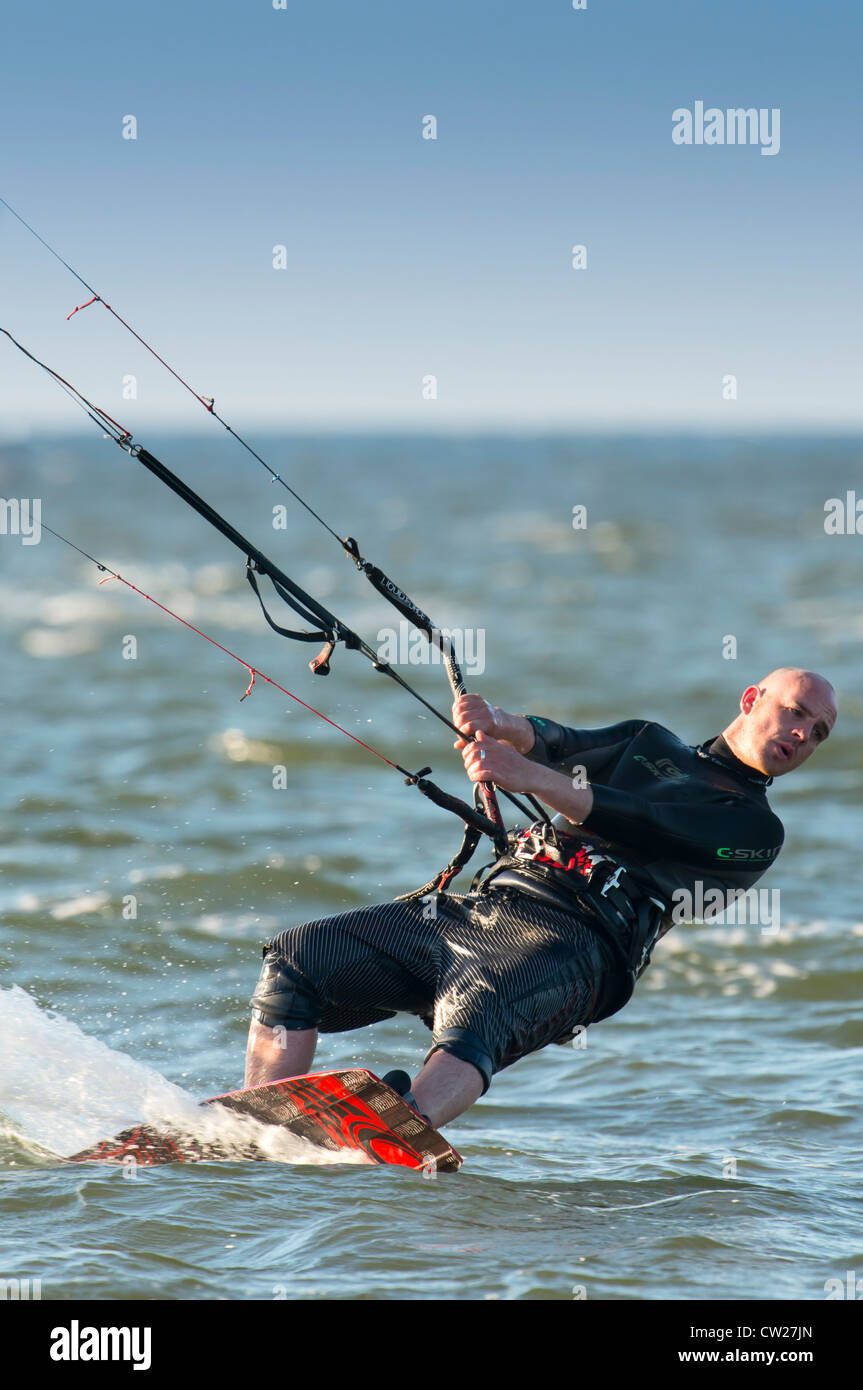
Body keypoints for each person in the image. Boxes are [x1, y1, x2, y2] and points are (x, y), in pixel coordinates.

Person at [244, 667, 836, 1129]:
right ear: (751, 698)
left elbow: (650, 822)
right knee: (298, 958)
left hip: (580, 949)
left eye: (817, 733)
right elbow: (562, 742)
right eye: (796, 712)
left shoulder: (755, 831)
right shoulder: (649, 741)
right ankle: (261, 1117)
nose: (802, 734)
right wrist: (499, 722)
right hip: (488, 909)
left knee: (481, 1010)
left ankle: (404, 1124)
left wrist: (530, 777)